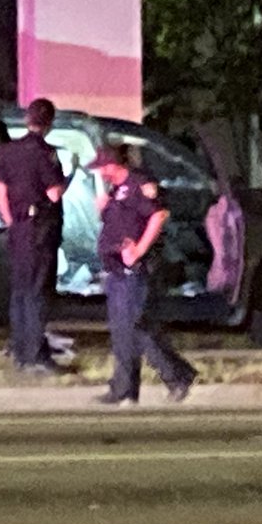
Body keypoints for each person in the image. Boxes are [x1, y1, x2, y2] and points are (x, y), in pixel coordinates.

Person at [88, 145, 196, 404]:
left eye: (102, 167)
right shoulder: (118, 190)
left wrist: (139, 250)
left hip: (133, 270)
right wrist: (102, 208)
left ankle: (178, 375)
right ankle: (124, 388)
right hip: (116, 269)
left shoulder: (139, 184)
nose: (100, 172)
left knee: (137, 328)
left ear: (113, 165)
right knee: (122, 331)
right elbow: (120, 222)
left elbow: (158, 215)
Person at [0, 98, 67, 373]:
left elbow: (1, 190)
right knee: (37, 291)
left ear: (27, 119)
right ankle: (36, 355)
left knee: (20, 291)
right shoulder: (45, 153)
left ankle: (20, 351)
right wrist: (66, 179)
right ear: (49, 122)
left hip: (18, 227)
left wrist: (12, 220)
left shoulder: (8, 151)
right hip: (40, 228)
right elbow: (54, 193)